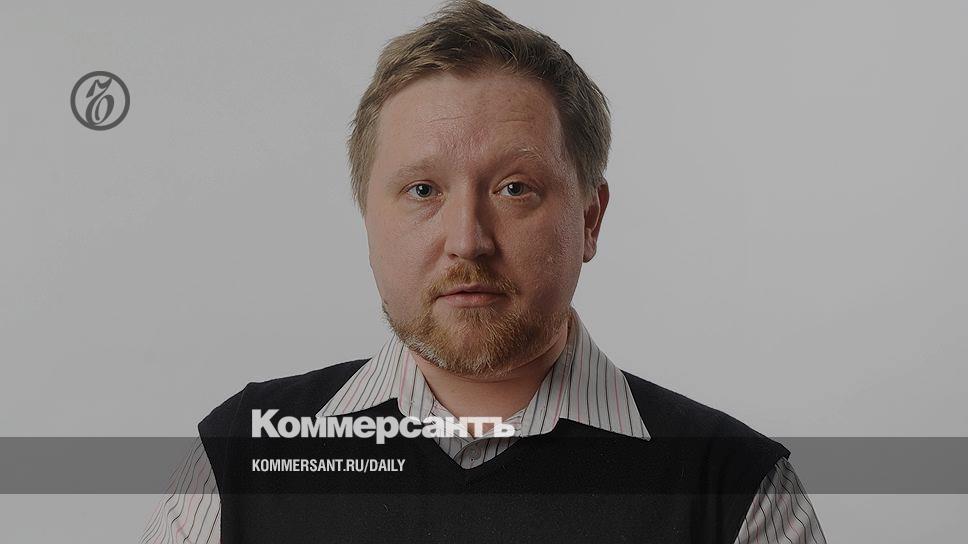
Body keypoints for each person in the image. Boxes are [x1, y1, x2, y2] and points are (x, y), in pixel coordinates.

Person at [142, 1, 827, 542]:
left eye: (514, 189)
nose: (467, 241)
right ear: (367, 217)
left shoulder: (736, 492)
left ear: (590, 218)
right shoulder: (240, 461)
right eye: (422, 191)